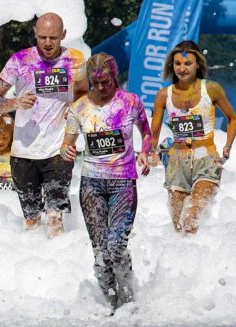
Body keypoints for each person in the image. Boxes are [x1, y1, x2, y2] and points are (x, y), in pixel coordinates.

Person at [61, 53, 152, 310]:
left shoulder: (131, 102)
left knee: (116, 245)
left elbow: (146, 132)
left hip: (123, 182)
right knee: (101, 253)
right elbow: (66, 145)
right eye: (95, 82)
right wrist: (66, 151)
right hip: (92, 184)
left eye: (106, 81)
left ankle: (129, 300)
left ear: (115, 77)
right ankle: (113, 305)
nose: (101, 87)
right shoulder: (79, 108)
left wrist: (145, 152)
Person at [0, 12, 87, 237]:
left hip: (59, 148)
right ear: (35, 34)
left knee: (55, 217)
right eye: (42, 37)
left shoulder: (75, 59)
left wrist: (73, 109)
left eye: (53, 38)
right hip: (24, 150)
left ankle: (59, 263)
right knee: (31, 220)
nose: (47, 43)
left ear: (63, 35)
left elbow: (82, 92)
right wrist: (15, 102)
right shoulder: (19, 60)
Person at [150, 40, 236, 235]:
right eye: (178, 63)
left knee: (192, 219)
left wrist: (228, 147)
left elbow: (232, 118)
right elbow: (154, 131)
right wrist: (151, 152)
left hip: (206, 158)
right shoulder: (164, 95)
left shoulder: (211, 89)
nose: (182, 68)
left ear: (198, 64)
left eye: (187, 63)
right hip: (177, 161)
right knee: (178, 226)